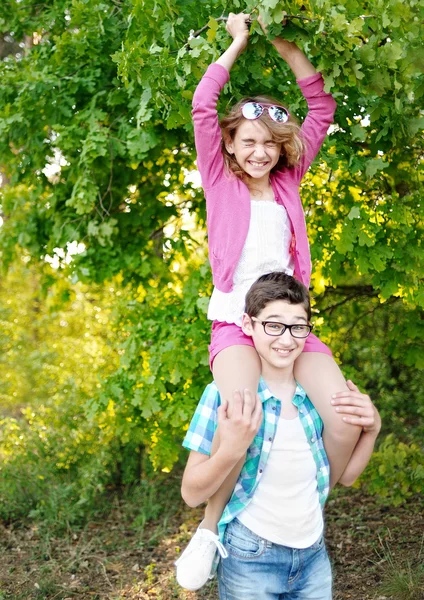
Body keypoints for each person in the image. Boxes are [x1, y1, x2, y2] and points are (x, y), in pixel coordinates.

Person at [177, 10, 362, 588]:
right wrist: (237, 43)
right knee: (242, 417)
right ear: (230, 144)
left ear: (283, 150)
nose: (259, 152)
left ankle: (301, 507)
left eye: (270, 144)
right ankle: (211, 529)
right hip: (237, 321)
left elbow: (321, 106)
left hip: (286, 319)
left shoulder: (288, 179)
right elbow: (204, 105)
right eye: (248, 141)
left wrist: (285, 46)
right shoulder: (218, 176)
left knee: (344, 417)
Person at [176, 272, 381, 597]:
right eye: (273, 325)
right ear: (248, 325)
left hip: (312, 558)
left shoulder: (315, 399)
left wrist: (372, 431)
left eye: (298, 327)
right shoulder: (224, 396)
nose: (286, 340)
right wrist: (231, 450)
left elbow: (347, 477)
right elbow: (190, 492)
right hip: (250, 559)